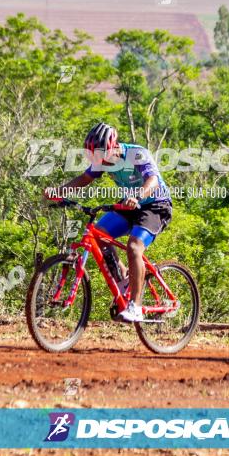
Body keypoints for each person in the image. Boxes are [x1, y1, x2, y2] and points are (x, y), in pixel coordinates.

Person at [45, 122, 172, 322]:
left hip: (155, 205)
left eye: (100, 155)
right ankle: (124, 279)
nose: (98, 161)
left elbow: (153, 180)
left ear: (112, 147)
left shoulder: (136, 154)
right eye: (93, 156)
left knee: (134, 247)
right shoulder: (102, 159)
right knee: (100, 235)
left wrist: (138, 196)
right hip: (128, 206)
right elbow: (85, 178)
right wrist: (59, 191)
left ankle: (136, 306)